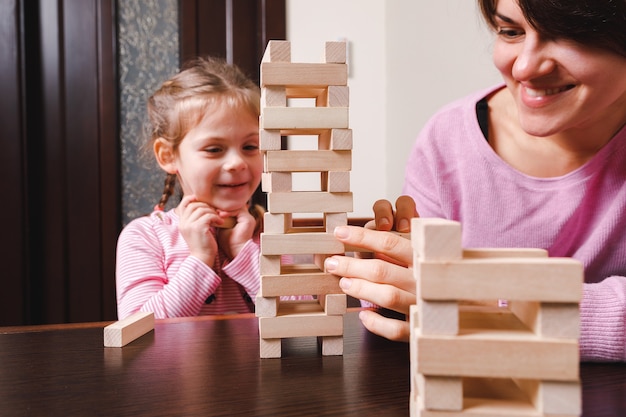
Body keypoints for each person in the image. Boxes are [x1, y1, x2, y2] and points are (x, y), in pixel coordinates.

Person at [325, 0, 626, 361]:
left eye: (569, 34)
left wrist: (499, 305)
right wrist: (389, 279)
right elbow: (423, 306)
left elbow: (459, 308)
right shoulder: (447, 139)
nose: (526, 67)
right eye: (511, 31)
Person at [116, 57, 264, 319]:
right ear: (168, 156)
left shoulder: (273, 233)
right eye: (214, 149)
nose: (237, 163)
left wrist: (244, 251)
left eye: (250, 147)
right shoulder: (145, 237)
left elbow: (303, 323)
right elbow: (138, 332)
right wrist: (200, 257)